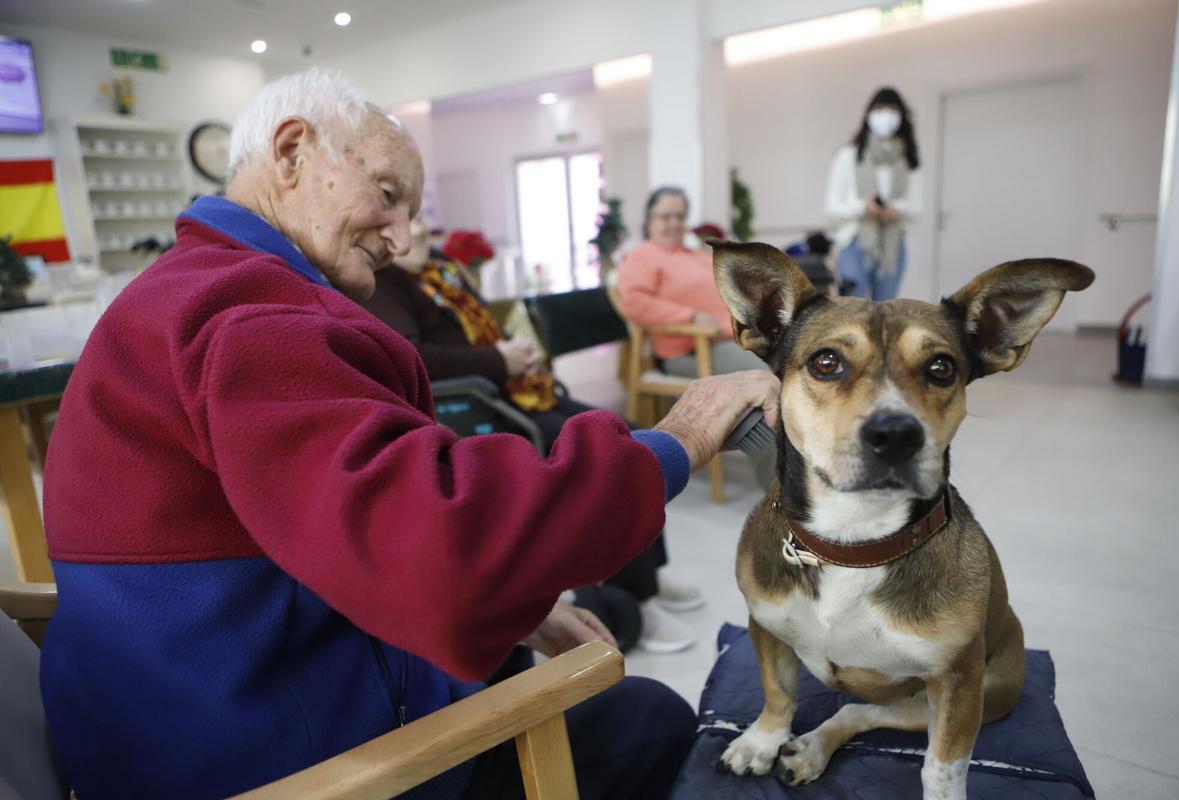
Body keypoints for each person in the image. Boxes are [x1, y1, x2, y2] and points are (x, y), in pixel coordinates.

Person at [38, 68, 779, 800]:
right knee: (648, 717)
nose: (401, 237)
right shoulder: (250, 316)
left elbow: (315, 524)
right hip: (275, 762)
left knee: (578, 628)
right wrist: (678, 438)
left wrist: (524, 607)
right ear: (292, 152)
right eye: (387, 196)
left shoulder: (194, 287)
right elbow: (442, 555)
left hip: (202, 705)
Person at [360, 215, 704, 654]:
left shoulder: (441, 268)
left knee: (631, 435)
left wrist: (515, 349)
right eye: (405, 216)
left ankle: (647, 576)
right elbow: (417, 359)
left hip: (519, 390)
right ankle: (638, 596)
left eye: (422, 216)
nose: (422, 230)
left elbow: (485, 323)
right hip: (481, 404)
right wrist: (499, 361)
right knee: (605, 459)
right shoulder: (386, 284)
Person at [616, 186, 765, 378]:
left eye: (680, 217)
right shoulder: (641, 256)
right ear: (649, 220)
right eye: (665, 217)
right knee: (778, 371)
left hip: (738, 337)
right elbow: (634, 303)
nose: (674, 223)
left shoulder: (695, 255)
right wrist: (691, 316)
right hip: (696, 350)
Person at [824, 86, 922, 301]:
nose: (885, 117)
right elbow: (831, 207)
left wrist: (896, 211)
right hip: (854, 240)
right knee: (852, 310)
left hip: (892, 244)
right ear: (868, 113)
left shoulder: (908, 160)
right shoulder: (848, 156)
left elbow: (916, 207)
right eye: (879, 109)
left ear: (902, 116)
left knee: (887, 311)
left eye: (892, 110)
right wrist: (862, 208)